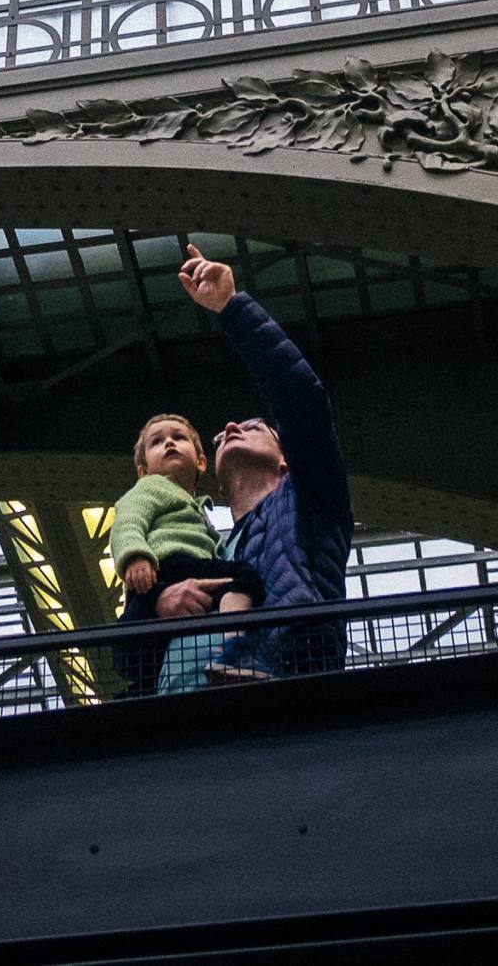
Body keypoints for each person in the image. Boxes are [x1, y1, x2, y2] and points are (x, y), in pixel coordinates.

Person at [147, 243, 354, 691]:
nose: (229, 426)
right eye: (222, 436)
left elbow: (304, 401)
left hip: (281, 685)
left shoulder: (310, 499)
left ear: (286, 459)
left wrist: (231, 308)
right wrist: (163, 601)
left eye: (253, 426)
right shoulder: (211, 548)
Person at [109, 414, 270, 693]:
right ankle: (235, 650)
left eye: (179, 437)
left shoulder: (194, 507)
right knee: (244, 577)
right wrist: (135, 556)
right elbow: (128, 521)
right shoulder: (150, 488)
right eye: (157, 442)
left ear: (200, 461)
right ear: (143, 472)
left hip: (177, 574)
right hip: (170, 566)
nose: (169, 443)